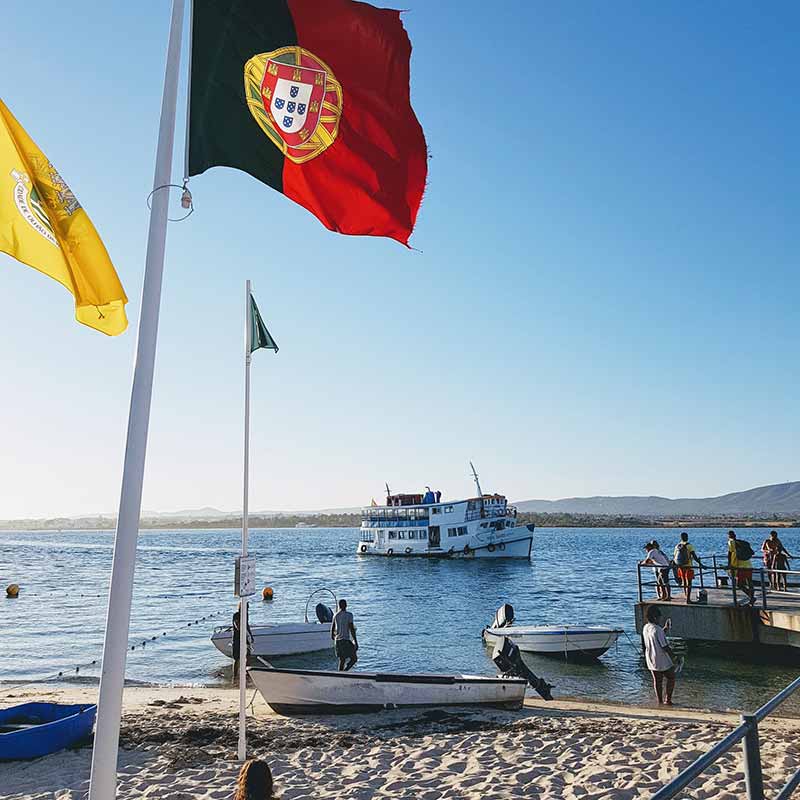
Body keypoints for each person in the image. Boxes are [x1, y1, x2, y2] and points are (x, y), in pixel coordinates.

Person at [642, 605, 676, 705]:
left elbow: (656, 637)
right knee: (671, 677)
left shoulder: (646, 627)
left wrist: (665, 628)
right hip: (661, 659)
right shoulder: (657, 629)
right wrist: (674, 657)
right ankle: (668, 700)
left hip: (650, 658)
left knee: (657, 680)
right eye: (659, 617)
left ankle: (660, 701)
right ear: (655, 617)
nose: (660, 619)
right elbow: (665, 646)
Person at [673, 532, 702, 603]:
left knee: (684, 581)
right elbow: (694, 556)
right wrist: (700, 564)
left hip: (680, 566)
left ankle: (686, 596)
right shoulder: (689, 546)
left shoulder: (677, 546)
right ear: (687, 537)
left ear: (681, 538)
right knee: (689, 582)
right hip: (688, 566)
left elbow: (675, 556)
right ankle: (688, 599)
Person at [727, 530, 755, 605]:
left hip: (740, 566)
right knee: (750, 582)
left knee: (739, 584)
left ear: (729, 536)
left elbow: (730, 554)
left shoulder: (731, 542)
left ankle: (751, 597)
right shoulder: (742, 542)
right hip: (748, 565)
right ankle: (751, 597)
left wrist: (729, 564)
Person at [331, 598, 358, 671]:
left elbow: (332, 629)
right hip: (345, 640)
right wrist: (355, 641)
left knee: (342, 660)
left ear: (339, 606)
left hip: (338, 641)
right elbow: (351, 628)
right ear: (346, 605)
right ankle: (345, 671)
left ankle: (340, 674)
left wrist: (334, 638)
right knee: (354, 658)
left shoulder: (335, 615)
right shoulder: (349, 615)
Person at [232, 603, 253, 680]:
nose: (247, 609)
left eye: (247, 608)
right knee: (237, 658)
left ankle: (247, 672)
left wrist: (250, 635)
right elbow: (237, 626)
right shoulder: (236, 615)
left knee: (248, 655)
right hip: (237, 638)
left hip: (245, 637)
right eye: (246, 607)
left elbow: (247, 625)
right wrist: (240, 625)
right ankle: (235, 676)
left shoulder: (246, 615)